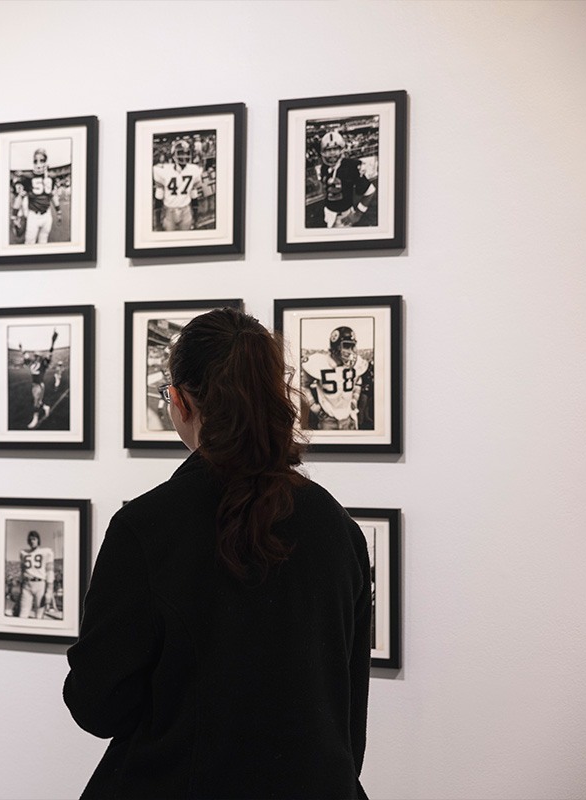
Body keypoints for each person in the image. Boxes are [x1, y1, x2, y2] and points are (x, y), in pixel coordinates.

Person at [64, 306, 370, 799]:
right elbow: (347, 717)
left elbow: (97, 707)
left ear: (181, 401)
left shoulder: (146, 527)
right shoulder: (337, 528)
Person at [301, 325, 372, 430]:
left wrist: (354, 400)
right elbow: (303, 386)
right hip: (328, 420)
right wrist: (314, 407)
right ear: (336, 346)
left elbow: (357, 381)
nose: (351, 350)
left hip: (349, 417)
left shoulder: (356, 363)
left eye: (353, 346)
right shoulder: (320, 362)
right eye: (347, 346)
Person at [315, 129, 377, 228]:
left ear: (342, 149)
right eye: (328, 150)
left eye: (335, 148)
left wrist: (358, 214)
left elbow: (370, 191)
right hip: (329, 213)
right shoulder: (324, 167)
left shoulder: (351, 166)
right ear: (323, 152)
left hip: (344, 215)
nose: (331, 153)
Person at [152, 139, 204, 231]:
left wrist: (196, 218)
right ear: (173, 155)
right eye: (180, 153)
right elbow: (159, 197)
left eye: (186, 153)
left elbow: (194, 195)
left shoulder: (194, 170)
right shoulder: (163, 170)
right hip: (169, 211)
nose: (184, 156)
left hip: (186, 210)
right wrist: (157, 222)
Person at [20, 147, 62, 244]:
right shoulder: (27, 178)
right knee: (29, 243)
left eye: (42, 160)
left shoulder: (51, 177)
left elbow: (53, 195)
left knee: (43, 241)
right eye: (36, 161)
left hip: (47, 215)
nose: (38, 164)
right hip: (33, 215)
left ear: (46, 162)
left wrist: (58, 211)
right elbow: (21, 196)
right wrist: (14, 215)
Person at [21, 329, 57, 429]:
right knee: (39, 402)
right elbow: (25, 355)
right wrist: (21, 348)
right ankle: (46, 407)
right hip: (34, 385)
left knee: (35, 403)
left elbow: (50, 354)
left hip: (39, 386)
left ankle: (35, 419)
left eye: (37, 355)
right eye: (35, 355)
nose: (35, 356)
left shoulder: (43, 364)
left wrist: (53, 342)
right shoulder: (33, 363)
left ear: (40, 356)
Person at [16, 530, 55, 619]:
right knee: (23, 614)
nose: (32, 541)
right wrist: (21, 586)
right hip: (27, 585)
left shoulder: (47, 552)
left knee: (39, 615)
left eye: (34, 539)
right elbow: (22, 571)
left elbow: (50, 572)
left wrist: (49, 591)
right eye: (30, 539)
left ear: (38, 540)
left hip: (40, 584)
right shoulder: (23, 553)